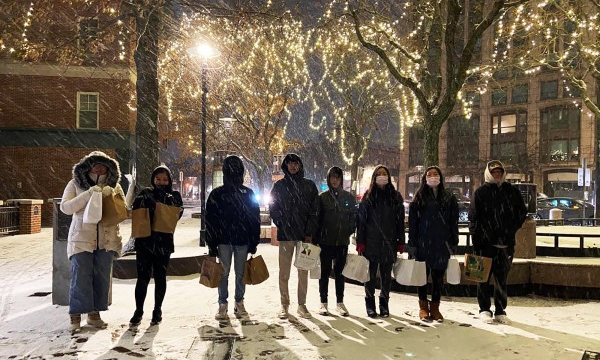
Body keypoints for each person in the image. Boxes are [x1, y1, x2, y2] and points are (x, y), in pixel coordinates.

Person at [60, 151, 125, 333]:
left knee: (101, 279)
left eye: (103, 164)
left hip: (106, 240)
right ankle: (75, 315)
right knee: (80, 278)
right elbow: (66, 207)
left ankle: (94, 314)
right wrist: (88, 194)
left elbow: (121, 211)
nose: (99, 167)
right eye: (95, 163)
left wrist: (111, 197)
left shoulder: (115, 186)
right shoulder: (75, 184)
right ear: (87, 166)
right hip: (82, 239)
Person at [468, 160, 527, 324]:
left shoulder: (511, 192)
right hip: (485, 245)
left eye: (500, 172)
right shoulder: (480, 193)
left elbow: (521, 213)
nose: (497, 175)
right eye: (494, 172)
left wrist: (510, 229)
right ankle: (484, 308)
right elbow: (473, 218)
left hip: (505, 244)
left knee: (501, 279)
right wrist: (479, 238)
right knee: (483, 279)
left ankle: (500, 310)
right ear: (488, 174)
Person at [206, 156, 260, 321]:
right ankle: (223, 303)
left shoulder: (246, 193)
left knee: (240, 273)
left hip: (241, 240)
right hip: (224, 240)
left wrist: (253, 240)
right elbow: (210, 220)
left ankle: (239, 301)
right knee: (225, 273)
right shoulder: (218, 194)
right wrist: (212, 242)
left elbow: (254, 218)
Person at [129, 165, 183, 327]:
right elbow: (135, 208)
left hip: (163, 243)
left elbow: (176, 214)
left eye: (164, 179)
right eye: (158, 179)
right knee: (142, 278)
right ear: (153, 179)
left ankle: (157, 310)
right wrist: (146, 201)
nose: (161, 182)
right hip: (144, 242)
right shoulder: (145, 193)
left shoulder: (174, 195)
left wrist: (165, 200)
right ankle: (138, 310)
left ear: (169, 181)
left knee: (160, 277)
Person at [270, 153, 319, 319]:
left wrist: (310, 232)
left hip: (304, 237)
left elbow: (314, 211)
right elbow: (273, 207)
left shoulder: (309, 186)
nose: (293, 166)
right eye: (290, 163)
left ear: (300, 165)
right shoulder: (279, 186)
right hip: (285, 235)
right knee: (284, 273)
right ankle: (284, 304)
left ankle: (302, 304)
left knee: (303, 272)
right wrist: (281, 223)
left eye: (296, 163)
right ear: (286, 166)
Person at [407, 166, 459, 323]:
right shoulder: (419, 197)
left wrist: (453, 240)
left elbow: (453, 221)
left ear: (441, 177)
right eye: (429, 175)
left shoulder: (448, 197)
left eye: (435, 174)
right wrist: (412, 243)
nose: (433, 177)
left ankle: (435, 307)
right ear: (425, 178)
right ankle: (423, 307)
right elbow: (413, 223)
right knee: (422, 276)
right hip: (423, 243)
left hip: (441, 243)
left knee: (438, 278)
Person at [356, 165, 405, 318]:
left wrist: (401, 241)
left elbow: (400, 222)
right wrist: (360, 242)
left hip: (389, 242)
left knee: (386, 277)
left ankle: (384, 304)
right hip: (371, 242)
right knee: (369, 276)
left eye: (385, 173)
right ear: (374, 178)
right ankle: (370, 304)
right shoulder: (368, 197)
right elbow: (361, 222)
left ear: (389, 177)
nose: (382, 176)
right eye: (379, 174)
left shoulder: (395, 197)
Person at [315, 167, 357, 316]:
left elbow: (354, 217)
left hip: (342, 242)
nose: (335, 180)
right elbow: (317, 219)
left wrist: (349, 230)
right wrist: (317, 237)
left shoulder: (349, 198)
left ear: (341, 179)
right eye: (332, 177)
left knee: (340, 273)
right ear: (328, 178)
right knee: (324, 273)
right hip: (325, 241)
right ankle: (323, 302)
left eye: (337, 177)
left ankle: (340, 302)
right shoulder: (322, 198)